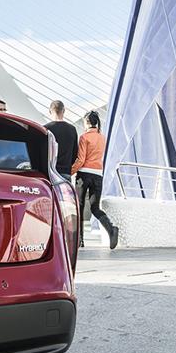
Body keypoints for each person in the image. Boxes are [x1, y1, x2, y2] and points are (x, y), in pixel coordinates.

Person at [71, 110, 119, 249]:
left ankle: (80, 240)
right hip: (98, 175)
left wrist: (70, 172)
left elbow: (81, 160)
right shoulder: (102, 138)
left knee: (79, 207)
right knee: (95, 208)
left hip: (84, 175)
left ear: (86, 122)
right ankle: (111, 229)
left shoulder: (84, 137)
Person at [42, 100, 77, 179]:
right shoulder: (72, 129)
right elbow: (75, 154)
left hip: (49, 173)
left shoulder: (45, 129)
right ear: (63, 111)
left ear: (50, 111)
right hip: (65, 172)